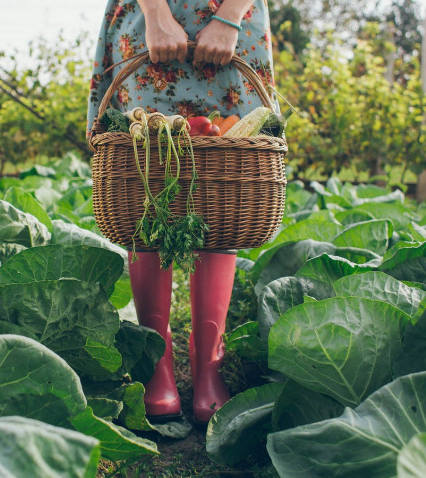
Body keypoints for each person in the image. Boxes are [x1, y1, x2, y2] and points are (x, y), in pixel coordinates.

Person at [86, 0, 275, 424]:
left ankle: (209, 363)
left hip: (234, 22)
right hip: (150, 18)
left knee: (227, 184)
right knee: (146, 178)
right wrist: (155, 15)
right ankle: (157, 361)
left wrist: (229, 18)